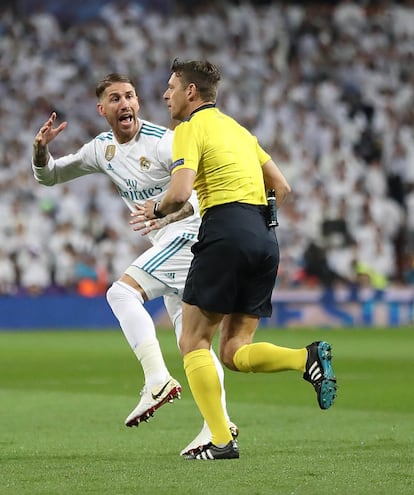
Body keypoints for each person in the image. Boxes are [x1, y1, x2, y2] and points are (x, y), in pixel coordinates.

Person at [140, 59, 338, 460]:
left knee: (193, 340)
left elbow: (179, 193)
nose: (165, 95)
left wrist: (157, 210)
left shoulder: (189, 129)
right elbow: (281, 187)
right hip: (264, 237)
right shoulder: (239, 131)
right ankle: (306, 357)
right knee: (233, 351)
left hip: (226, 232)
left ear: (191, 92)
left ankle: (220, 440)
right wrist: (251, 222)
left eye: (171, 87)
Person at [31, 72, 237, 456]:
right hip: (173, 243)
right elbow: (51, 177)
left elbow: (203, 190)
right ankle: (218, 427)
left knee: (122, 293)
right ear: (102, 109)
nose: (125, 103)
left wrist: (171, 215)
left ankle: (157, 380)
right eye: (115, 98)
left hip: (192, 234)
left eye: (130, 96)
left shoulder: (166, 142)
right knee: (191, 341)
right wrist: (41, 150)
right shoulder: (101, 149)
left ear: (138, 102)